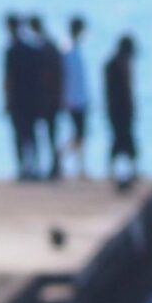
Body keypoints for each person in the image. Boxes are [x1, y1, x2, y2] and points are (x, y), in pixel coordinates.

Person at [26, 13, 65, 179]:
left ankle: (48, 166)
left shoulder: (40, 46)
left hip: (44, 98)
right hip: (46, 97)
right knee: (48, 135)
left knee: (45, 135)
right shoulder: (47, 45)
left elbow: (55, 74)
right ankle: (48, 166)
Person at [3, 14, 39, 178]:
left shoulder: (11, 50)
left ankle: (24, 168)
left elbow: (8, 78)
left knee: (20, 135)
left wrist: (7, 100)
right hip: (31, 98)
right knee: (30, 135)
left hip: (17, 99)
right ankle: (32, 167)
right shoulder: (30, 49)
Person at [104, 33, 140, 189]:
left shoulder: (120, 64)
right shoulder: (113, 65)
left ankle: (130, 170)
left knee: (127, 141)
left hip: (123, 111)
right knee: (119, 140)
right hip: (117, 111)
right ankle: (114, 171)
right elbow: (111, 92)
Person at [59, 16, 92, 179]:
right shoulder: (67, 49)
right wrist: (65, 98)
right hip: (72, 100)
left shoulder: (76, 48)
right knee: (79, 133)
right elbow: (65, 77)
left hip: (81, 98)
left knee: (81, 134)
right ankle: (63, 155)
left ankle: (80, 166)